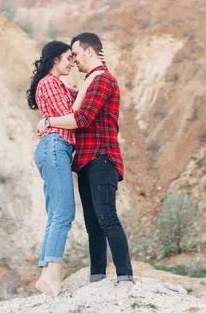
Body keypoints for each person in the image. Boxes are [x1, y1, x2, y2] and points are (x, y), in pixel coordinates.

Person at [36, 32, 134, 294]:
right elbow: (82, 93)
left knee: (107, 217)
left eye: (76, 54)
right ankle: (98, 278)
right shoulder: (93, 80)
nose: (74, 61)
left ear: (89, 52)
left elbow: (84, 117)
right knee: (93, 225)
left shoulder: (102, 79)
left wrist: (47, 122)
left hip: (103, 156)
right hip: (85, 160)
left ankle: (125, 277)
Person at [26, 40, 103, 295]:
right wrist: (48, 120)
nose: (72, 63)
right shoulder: (48, 83)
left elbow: (82, 96)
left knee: (56, 215)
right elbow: (74, 118)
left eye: (74, 58)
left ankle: (46, 275)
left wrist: (94, 73)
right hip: (55, 147)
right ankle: (52, 278)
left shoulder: (57, 85)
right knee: (63, 214)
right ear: (55, 59)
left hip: (56, 148)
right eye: (68, 58)